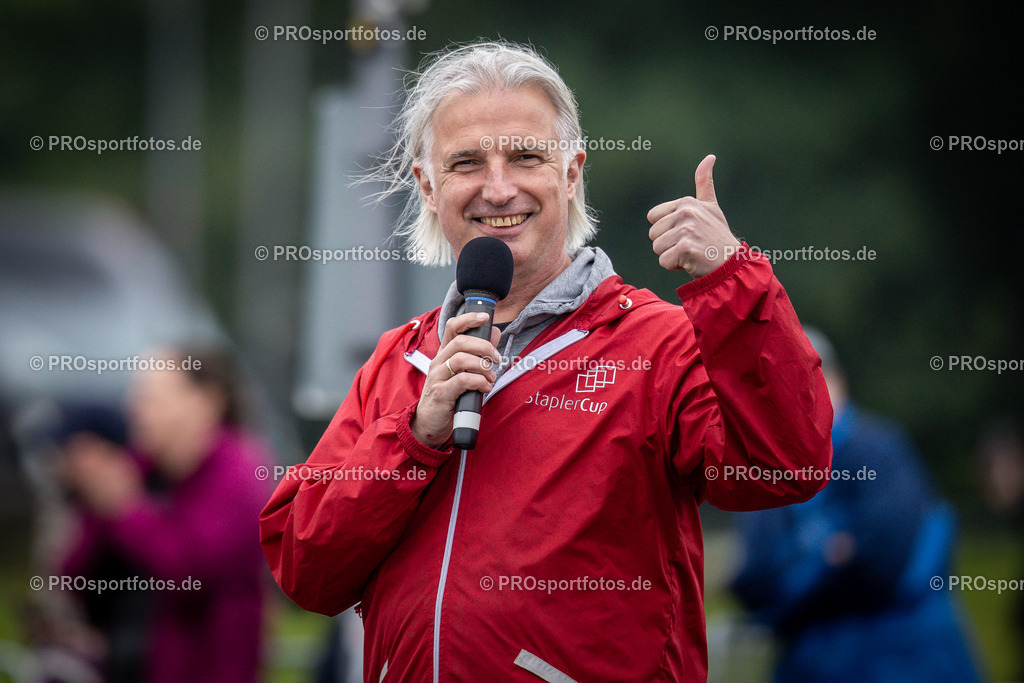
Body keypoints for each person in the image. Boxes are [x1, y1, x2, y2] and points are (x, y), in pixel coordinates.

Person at [261, 41, 832, 682]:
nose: (498, 187)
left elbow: (784, 469)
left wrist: (733, 278)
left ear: (571, 172)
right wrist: (414, 437)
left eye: (526, 157)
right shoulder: (401, 359)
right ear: (427, 185)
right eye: (467, 162)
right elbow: (305, 570)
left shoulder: (657, 343)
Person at [730, 328, 981, 682]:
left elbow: (883, 559)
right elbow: (752, 579)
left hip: (905, 660)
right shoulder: (768, 469)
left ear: (838, 380)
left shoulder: (880, 450)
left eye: (808, 375)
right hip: (812, 664)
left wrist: (802, 577)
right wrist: (831, 558)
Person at [60, 347, 271, 683]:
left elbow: (192, 573)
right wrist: (91, 486)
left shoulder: (237, 474)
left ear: (206, 402)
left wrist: (124, 508)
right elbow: (73, 574)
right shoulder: (142, 469)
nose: (135, 410)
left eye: (152, 399)